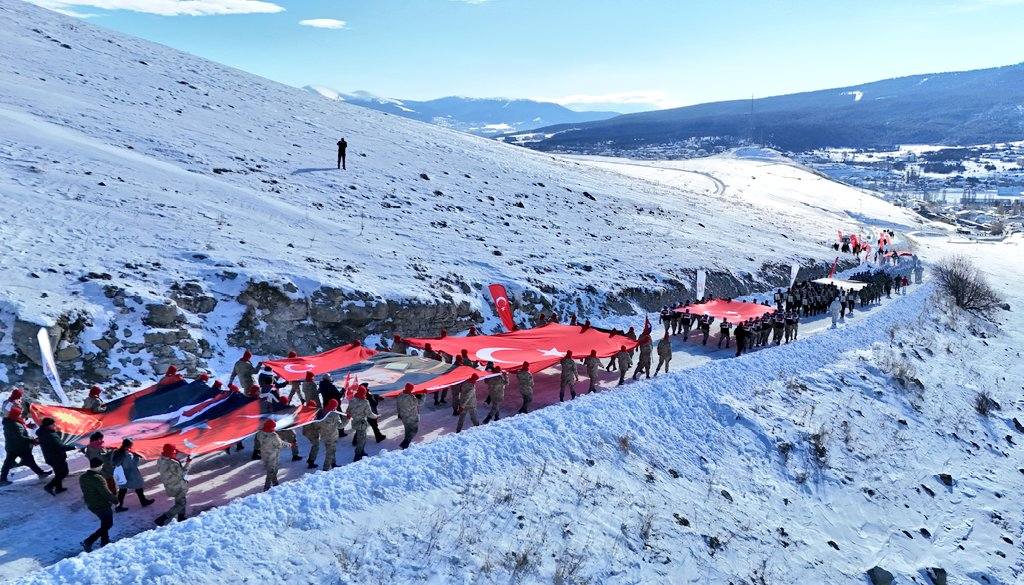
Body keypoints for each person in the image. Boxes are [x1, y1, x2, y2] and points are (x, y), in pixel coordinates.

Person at [1, 406, 50, 487]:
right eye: (20, 414)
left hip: (13, 446)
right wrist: (31, 439)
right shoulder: (14, 424)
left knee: (10, 463)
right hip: (19, 447)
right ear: (15, 414)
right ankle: (41, 473)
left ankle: (2, 479)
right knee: (28, 460)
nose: (21, 415)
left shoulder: (10, 422)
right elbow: (20, 437)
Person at [80, 457, 117, 552]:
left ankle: (105, 541)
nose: (101, 468)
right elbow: (106, 493)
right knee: (108, 524)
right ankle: (88, 541)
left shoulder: (82, 477)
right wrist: (116, 500)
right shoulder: (98, 478)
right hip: (102, 505)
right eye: (101, 466)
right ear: (98, 466)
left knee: (104, 522)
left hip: (91, 505)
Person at [110, 438, 154, 511]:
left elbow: (115, 463)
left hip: (122, 475)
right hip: (131, 475)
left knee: (122, 490)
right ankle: (143, 501)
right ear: (129, 445)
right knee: (138, 487)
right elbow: (132, 465)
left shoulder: (117, 452)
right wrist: (136, 457)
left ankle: (119, 506)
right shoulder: (126, 454)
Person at [37, 417, 74, 495]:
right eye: (53, 424)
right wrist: (74, 447)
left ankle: (58, 488)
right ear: (48, 425)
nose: (54, 425)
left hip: (51, 457)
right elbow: (60, 447)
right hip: (56, 458)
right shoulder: (50, 435)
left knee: (58, 473)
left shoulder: (43, 432)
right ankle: (49, 486)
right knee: (64, 473)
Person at [155, 444, 189, 526]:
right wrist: (188, 463)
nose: (175, 454)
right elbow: (182, 473)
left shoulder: (160, 460)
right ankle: (163, 518)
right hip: (178, 486)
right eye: (174, 453)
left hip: (169, 485)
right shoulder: (173, 464)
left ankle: (181, 516)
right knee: (181, 504)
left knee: (180, 500)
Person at [346, 386, 377, 462]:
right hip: (362, 423)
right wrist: (376, 416)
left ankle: (362, 451)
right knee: (361, 440)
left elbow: (348, 411)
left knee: (361, 438)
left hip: (355, 422)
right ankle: (357, 456)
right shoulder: (365, 402)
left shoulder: (352, 400)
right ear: (364, 393)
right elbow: (369, 414)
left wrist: (350, 414)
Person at [256, 419, 287, 491]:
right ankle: (267, 487)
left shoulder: (260, 433)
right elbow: (279, 444)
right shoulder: (273, 435)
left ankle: (275, 482)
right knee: (272, 470)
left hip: (264, 453)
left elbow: (258, 439)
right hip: (272, 455)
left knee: (271, 469)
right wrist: (289, 444)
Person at [320, 399, 344, 471]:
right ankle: (325, 469)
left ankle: (333, 463)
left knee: (331, 450)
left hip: (324, 435)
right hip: (331, 437)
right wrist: (347, 419)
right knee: (330, 453)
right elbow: (340, 426)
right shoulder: (334, 414)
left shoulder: (323, 411)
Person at [396, 383, 420, 448]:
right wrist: (423, 395)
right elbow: (419, 403)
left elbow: (398, 405)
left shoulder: (400, 395)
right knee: (414, 430)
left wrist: (399, 413)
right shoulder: (411, 397)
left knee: (407, 430)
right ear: (411, 389)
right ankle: (405, 443)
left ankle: (406, 442)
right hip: (412, 417)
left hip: (404, 416)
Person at [301, 401, 322, 469]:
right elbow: (315, 425)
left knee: (314, 445)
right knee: (316, 446)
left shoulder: (305, 411)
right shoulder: (312, 414)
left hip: (306, 432)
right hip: (311, 432)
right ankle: (311, 462)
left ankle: (310, 460)